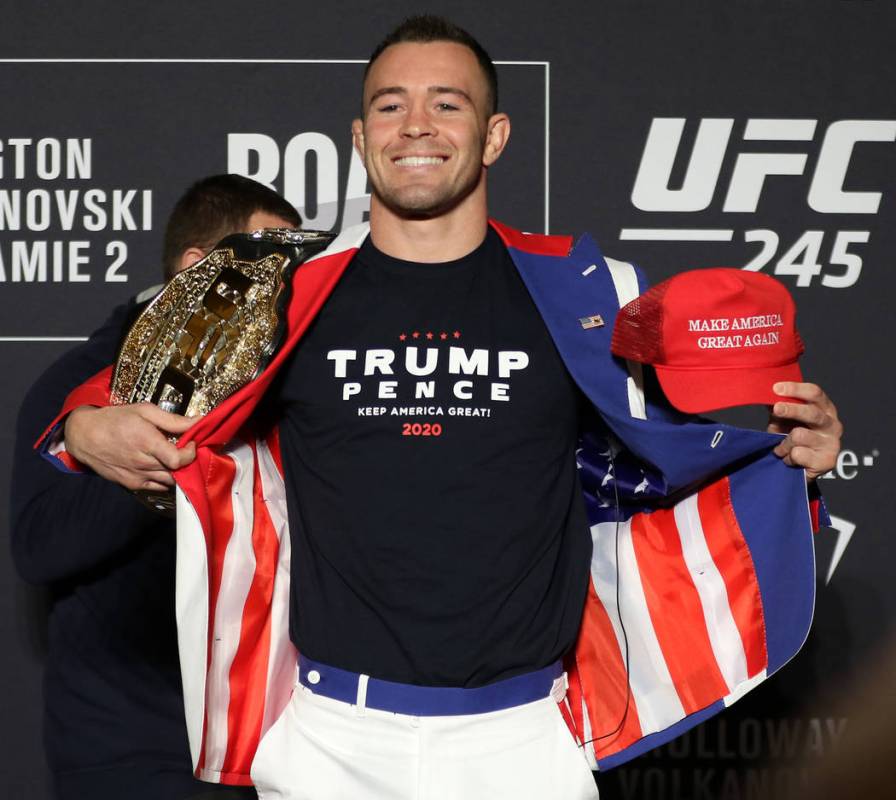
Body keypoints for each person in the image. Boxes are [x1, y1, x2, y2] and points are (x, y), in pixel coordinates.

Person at [40, 17, 842, 800]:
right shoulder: (282, 294)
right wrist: (83, 425)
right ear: (360, 138)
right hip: (330, 742)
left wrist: (792, 454)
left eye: (445, 103)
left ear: (494, 136)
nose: (415, 124)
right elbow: (108, 400)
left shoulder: (584, 292)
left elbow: (696, 448)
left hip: (523, 743)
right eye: (390, 105)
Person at [11, 174, 300, 800]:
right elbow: (37, 548)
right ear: (201, 270)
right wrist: (147, 465)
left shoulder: (291, 385)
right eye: (269, 261)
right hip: (130, 750)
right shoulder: (81, 382)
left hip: (272, 740)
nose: (286, 282)